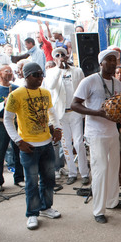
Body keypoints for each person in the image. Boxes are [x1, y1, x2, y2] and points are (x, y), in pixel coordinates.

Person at [71, 49, 121, 224]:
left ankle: (112, 201)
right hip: (96, 134)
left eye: (115, 60)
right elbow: (74, 104)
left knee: (113, 169)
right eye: (109, 60)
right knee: (100, 170)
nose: (113, 63)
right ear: (101, 62)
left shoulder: (117, 84)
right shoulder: (89, 81)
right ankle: (98, 210)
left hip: (112, 132)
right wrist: (97, 112)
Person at [3, 62, 62, 230]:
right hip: (29, 146)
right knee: (31, 182)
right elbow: (8, 119)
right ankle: (32, 213)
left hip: (47, 144)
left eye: (41, 74)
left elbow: (52, 112)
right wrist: (18, 141)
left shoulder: (45, 92)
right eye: (36, 75)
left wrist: (57, 128)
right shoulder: (16, 95)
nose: (40, 78)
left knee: (49, 179)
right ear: (26, 76)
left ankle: (46, 207)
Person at [43, 47, 89, 186]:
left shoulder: (77, 71)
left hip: (75, 112)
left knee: (79, 143)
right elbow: (50, 86)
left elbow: (83, 90)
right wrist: (58, 68)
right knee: (66, 144)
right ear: (54, 58)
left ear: (67, 55)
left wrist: (85, 111)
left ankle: (85, 173)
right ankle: (72, 173)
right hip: (61, 114)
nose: (61, 56)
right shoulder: (51, 72)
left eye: (63, 54)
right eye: (57, 55)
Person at [0, 64, 24, 192]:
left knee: (18, 151)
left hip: (16, 123)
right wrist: (3, 104)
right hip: (1, 123)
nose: (9, 73)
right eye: (6, 71)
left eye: (11, 71)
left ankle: (19, 178)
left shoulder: (17, 88)